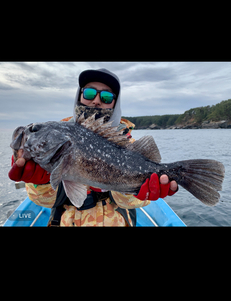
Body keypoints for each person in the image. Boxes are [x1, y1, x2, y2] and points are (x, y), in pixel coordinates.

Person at [9, 68, 178, 226]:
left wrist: (133, 192)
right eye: (89, 93)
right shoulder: (61, 132)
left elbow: (134, 203)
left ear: (115, 103)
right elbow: (44, 202)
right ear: (79, 96)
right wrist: (41, 183)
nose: (96, 101)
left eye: (106, 97)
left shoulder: (128, 144)